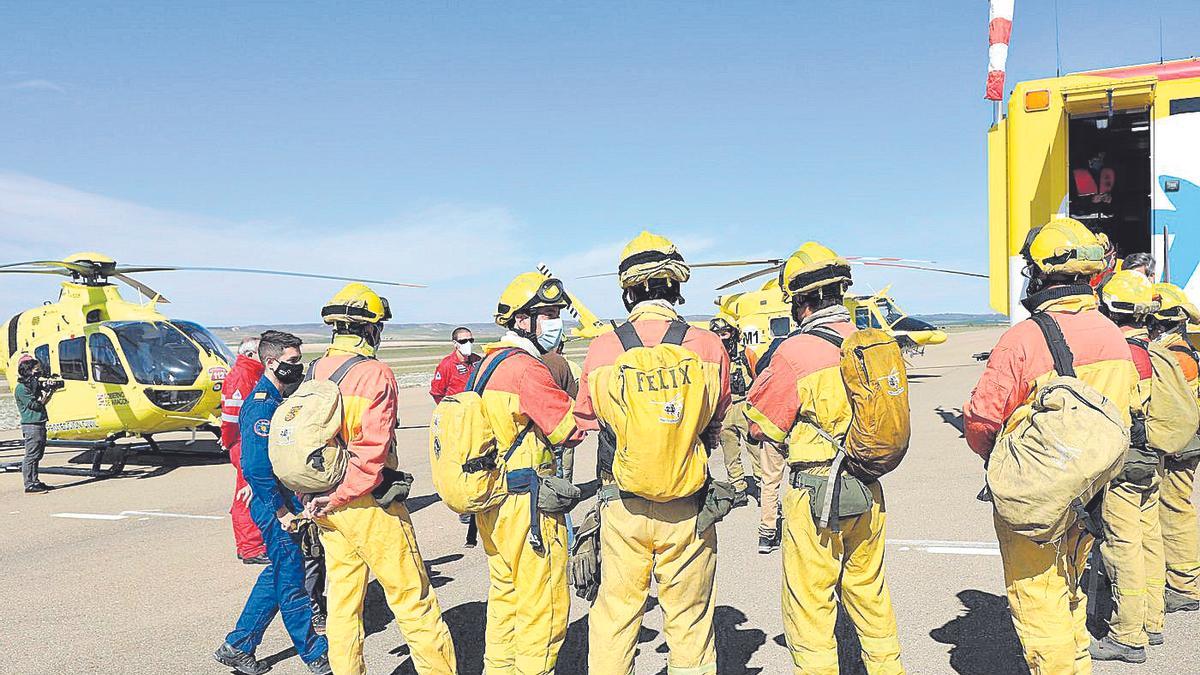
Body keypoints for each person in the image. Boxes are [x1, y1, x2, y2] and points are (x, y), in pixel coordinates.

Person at [964, 217, 1137, 673]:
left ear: (1041, 273)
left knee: (1040, 603)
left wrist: (1001, 460)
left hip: (1039, 494)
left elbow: (982, 418)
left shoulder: (1025, 338)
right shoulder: (1113, 335)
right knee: (1071, 590)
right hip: (1091, 491)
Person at [745, 242, 905, 674]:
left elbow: (762, 426)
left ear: (800, 301)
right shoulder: (871, 344)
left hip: (815, 495)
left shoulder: (795, 353)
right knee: (871, 598)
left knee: (810, 606)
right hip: (869, 486)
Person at [575, 232, 731, 674]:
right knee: (689, 619)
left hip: (623, 504)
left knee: (616, 616)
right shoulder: (706, 345)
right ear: (675, 287)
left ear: (628, 291)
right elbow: (718, 414)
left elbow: (586, 417)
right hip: (688, 507)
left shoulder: (605, 347)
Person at [300, 283, 457, 675]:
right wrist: (345, 495)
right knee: (412, 599)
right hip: (367, 504)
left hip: (326, 503)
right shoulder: (375, 374)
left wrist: (325, 498)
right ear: (370, 329)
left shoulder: (317, 368)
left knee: (342, 603)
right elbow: (371, 453)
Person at [467, 271, 580, 673]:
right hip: (526, 505)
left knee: (505, 599)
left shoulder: (486, 364)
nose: (555, 321)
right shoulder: (527, 369)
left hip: (493, 499)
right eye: (546, 313)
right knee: (542, 604)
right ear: (521, 320)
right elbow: (568, 429)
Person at [214, 330, 331, 675]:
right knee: (292, 581)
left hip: (280, 500)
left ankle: (238, 644)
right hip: (275, 506)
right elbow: (254, 465)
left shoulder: (280, 399)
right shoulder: (262, 404)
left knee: (278, 573)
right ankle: (316, 654)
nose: (297, 367)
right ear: (271, 362)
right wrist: (281, 511)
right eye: (292, 362)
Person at [1089, 271, 1171, 663]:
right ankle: (1153, 621)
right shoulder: (1156, 352)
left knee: (1123, 548)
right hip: (1152, 459)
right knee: (1149, 540)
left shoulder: (1117, 355)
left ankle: (1127, 635)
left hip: (1123, 465)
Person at [1149, 283, 1200, 614]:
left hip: (1178, 448)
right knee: (1175, 508)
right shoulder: (1185, 350)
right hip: (1185, 443)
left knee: (1174, 509)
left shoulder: (1175, 358)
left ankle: (1184, 584)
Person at [709, 317, 765, 512]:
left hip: (745, 407)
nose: (721, 338)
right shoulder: (714, 357)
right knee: (730, 453)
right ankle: (738, 488)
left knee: (756, 450)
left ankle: (761, 487)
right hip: (725, 408)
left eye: (724, 333)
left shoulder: (747, 354)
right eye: (717, 335)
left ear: (732, 333)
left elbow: (760, 379)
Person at [221, 337, 268, 564]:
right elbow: (230, 418)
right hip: (243, 442)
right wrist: (229, 441)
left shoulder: (252, 373)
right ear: (250, 355)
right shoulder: (242, 375)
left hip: (247, 441)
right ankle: (250, 548)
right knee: (245, 496)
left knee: (253, 491)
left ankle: (254, 543)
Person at [14, 357, 58, 494]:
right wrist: (47, 392)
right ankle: (29, 483)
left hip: (38, 423)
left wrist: (50, 389)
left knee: (37, 455)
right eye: (36, 370)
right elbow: (36, 405)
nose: (39, 373)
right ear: (28, 371)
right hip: (32, 425)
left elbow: (42, 403)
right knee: (31, 455)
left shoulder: (31, 386)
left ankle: (35, 480)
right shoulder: (22, 389)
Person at [543, 339, 579, 482]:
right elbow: (575, 393)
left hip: (545, 423)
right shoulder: (567, 365)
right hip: (565, 421)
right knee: (566, 458)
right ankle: (566, 488)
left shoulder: (532, 361)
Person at [430, 326, 481, 403]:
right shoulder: (447, 364)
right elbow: (436, 392)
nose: (468, 343)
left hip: (475, 407)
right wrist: (446, 408)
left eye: (471, 340)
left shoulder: (477, 360)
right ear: (455, 343)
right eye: (463, 341)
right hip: (456, 409)